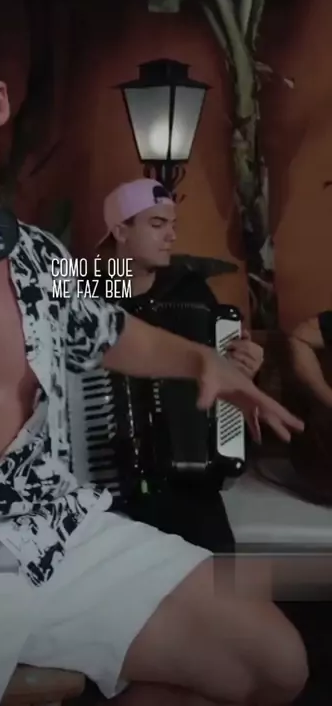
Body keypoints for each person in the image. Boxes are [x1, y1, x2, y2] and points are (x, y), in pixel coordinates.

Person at [0, 0, 307, 706]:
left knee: (272, 663)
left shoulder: (37, 251)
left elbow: (108, 329)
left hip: (51, 531)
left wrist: (201, 359)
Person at [92, 179, 264, 554]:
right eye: (157, 224)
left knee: (218, 568)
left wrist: (243, 367)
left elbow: (220, 378)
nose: (171, 236)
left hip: (186, 484)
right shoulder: (85, 287)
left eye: (172, 225)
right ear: (120, 230)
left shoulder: (189, 290)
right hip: (102, 476)